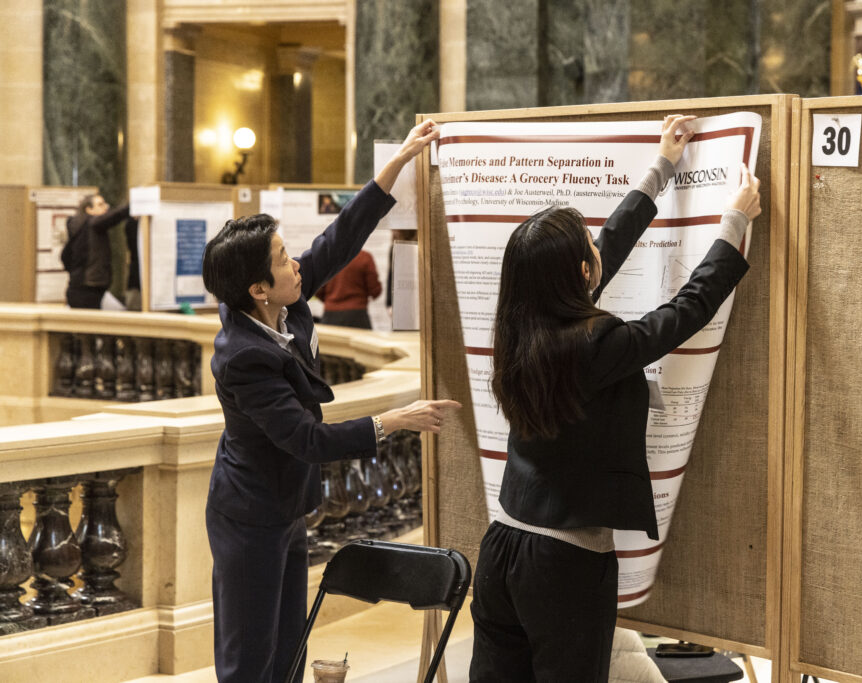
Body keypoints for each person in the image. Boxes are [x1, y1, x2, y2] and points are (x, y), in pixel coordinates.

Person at [469, 114, 762, 683]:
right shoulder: (592, 342)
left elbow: (606, 245)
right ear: (581, 274)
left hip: (503, 547)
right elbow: (684, 312)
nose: (595, 248)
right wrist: (733, 223)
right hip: (565, 563)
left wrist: (661, 167)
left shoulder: (521, 325)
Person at [200, 119, 460, 683]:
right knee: (250, 659)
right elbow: (307, 439)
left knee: (290, 647)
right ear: (257, 288)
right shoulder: (243, 354)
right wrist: (395, 420)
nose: (297, 263)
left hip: (288, 507)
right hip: (249, 516)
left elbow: (336, 242)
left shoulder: (283, 302)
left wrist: (392, 171)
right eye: (282, 258)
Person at [63, 194, 131, 309]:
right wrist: (133, 205)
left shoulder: (79, 226)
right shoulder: (93, 224)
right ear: (89, 210)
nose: (105, 208)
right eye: (100, 204)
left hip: (80, 285)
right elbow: (115, 216)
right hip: (90, 287)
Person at [316, 249, 382, 328]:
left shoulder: (326, 258)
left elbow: (317, 289)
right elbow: (375, 291)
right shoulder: (365, 257)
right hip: (357, 316)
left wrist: (330, 300)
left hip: (330, 316)